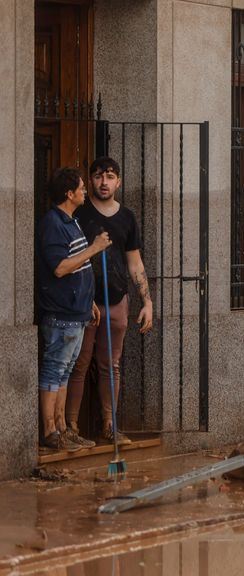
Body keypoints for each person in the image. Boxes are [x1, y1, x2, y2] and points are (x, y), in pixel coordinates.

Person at [66, 157, 153, 447]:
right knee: (79, 363)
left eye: (111, 177)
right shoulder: (80, 213)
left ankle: (109, 426)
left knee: (111, 365)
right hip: (85, 302)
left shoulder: (127, 217)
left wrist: (147, 301)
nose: (104, 182)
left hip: (117, 301)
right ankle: (71, 428)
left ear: (119, 182)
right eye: (99, 177)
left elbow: (135, 262)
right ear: (90, 180)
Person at [36, 167, 111, 452]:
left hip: (77, 312)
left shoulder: (71, 221)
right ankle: (50, 431)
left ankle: (63, 428)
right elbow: (59, 268)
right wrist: (94, 248)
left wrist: (89, 301)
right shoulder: (53, 224)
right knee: (54, 370)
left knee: (65, 370)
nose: (85, 191)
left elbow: (76, 265)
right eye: (81, 187)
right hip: (61, 314)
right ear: (69, 194)